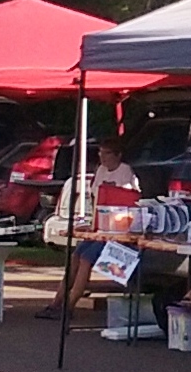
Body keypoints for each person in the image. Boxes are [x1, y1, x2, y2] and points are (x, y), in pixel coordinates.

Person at [38, 136, 142, 318]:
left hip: (118, 232)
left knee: (86, 259)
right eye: (100, 153)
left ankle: (69, 307)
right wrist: (91, 224)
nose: (103, 157)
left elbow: (129, 202)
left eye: (107, 153)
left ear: (118, 155)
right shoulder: (100, 171)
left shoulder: (126, 173)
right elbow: (96, 200)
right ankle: (56, 303)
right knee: (76, 256)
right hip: (100, 229)